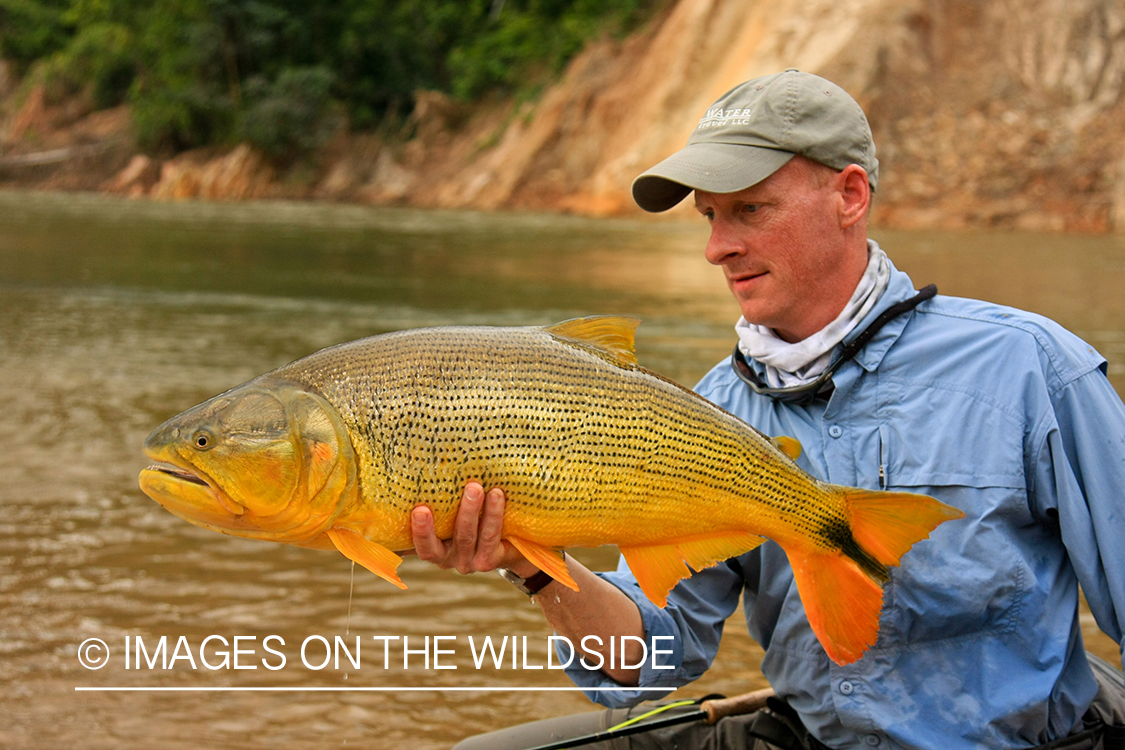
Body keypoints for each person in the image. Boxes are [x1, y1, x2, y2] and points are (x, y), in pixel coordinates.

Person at [411, 69, 1125, 749]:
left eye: (750, 210)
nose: (718, 248)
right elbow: (651, 658)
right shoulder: (704, 411)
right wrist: (533, 567)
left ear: (849, 196)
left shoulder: (1032, 368)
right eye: (710, 218)